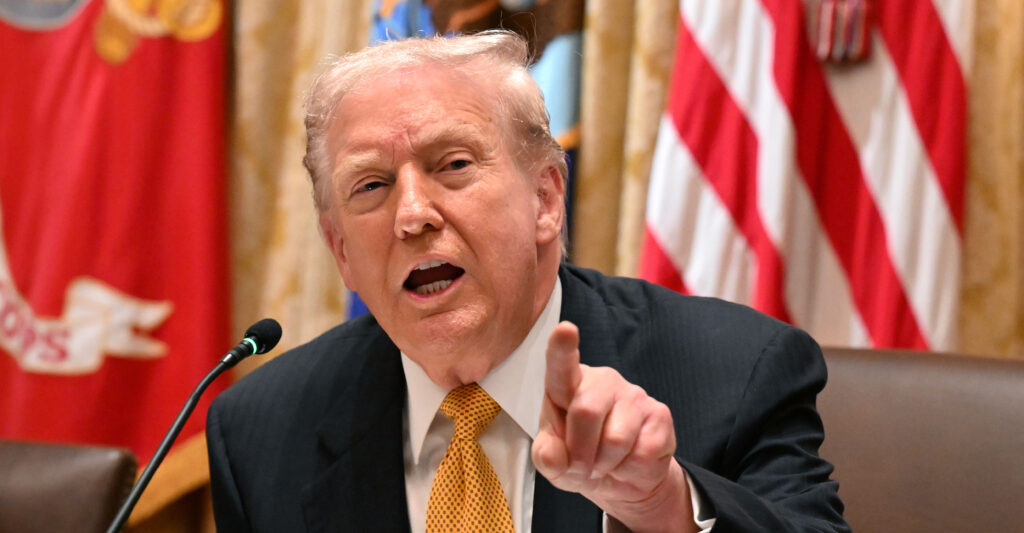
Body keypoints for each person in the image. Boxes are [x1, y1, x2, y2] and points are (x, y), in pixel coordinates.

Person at [206, 30, 848, 532]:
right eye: (371, 186)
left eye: (452, 164)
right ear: (339, 249)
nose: (411, 216)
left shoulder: (732, 371)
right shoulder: (262, 431)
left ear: (545, 198)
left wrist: (664, 507)